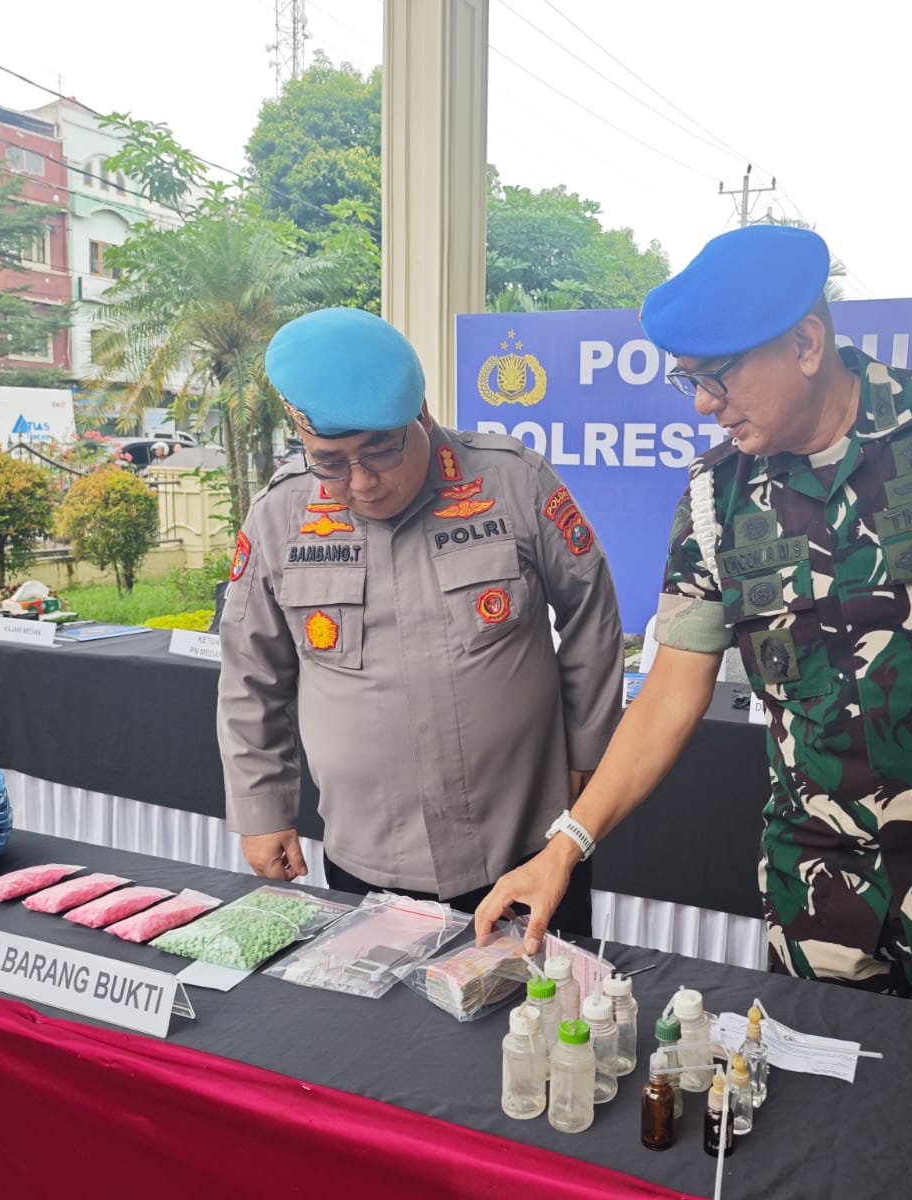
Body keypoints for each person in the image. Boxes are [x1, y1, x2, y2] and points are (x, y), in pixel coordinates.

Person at [476, 226, 912, 1030]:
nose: (700, 403)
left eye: (717, 377)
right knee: (828, 1130)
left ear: (805, 343)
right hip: (827, 896)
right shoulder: (713, 502)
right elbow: (670, 693)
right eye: (686, 378)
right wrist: (564, 848)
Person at [217, 307, 623, 933]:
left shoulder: (510, 479)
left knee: (544, 1018)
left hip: (526, 847)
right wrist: (261, 806)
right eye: (330, 462)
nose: (360, 482)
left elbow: (591, 612)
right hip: (368, 857)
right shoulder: (279, 515)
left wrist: (589, 750)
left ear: (422, 417)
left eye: (379, 452)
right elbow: (251, 672)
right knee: (385, 1030)